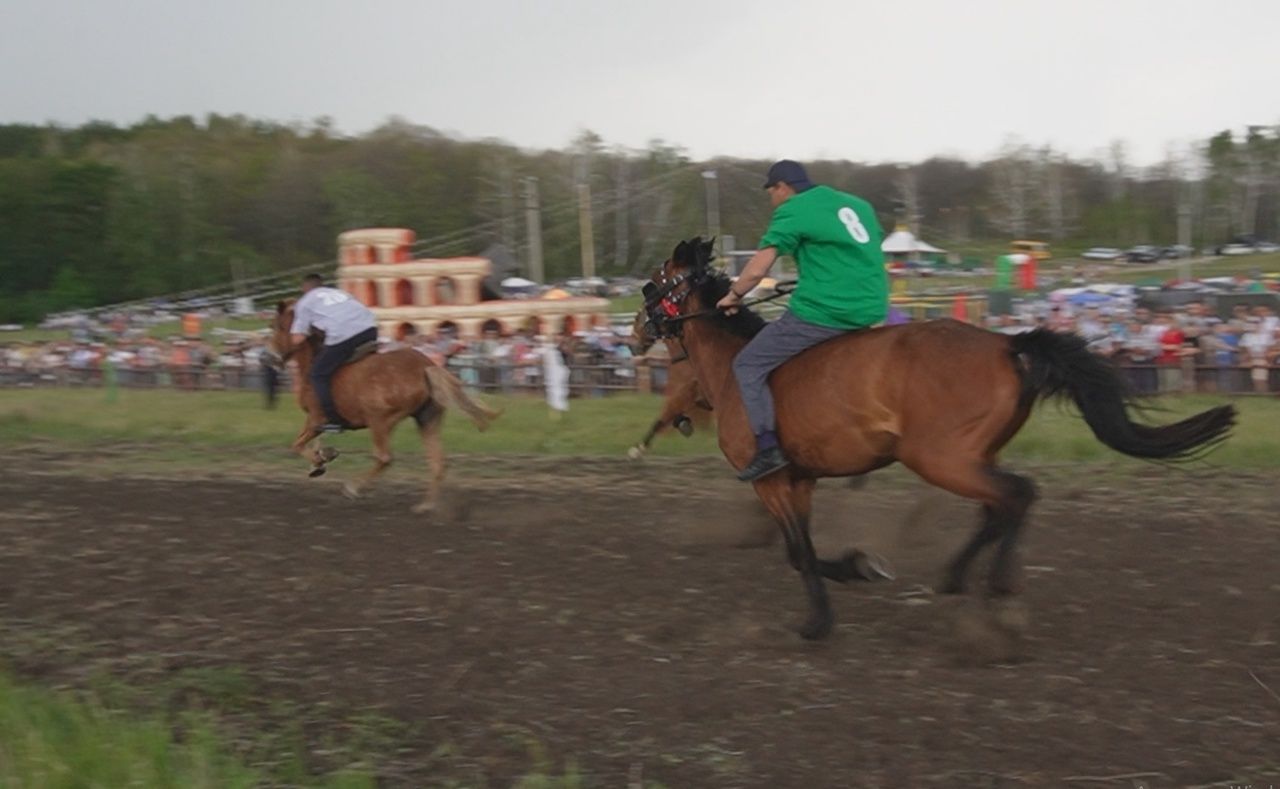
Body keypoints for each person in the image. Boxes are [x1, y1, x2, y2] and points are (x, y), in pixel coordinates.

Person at [716, 159, 888, 482]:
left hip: (826, 312)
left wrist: (734, 295)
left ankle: (767, 447)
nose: (772, 201)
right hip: (870, 308)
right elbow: (861, 251)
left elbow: (756, 270)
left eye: (771, 193)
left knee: (748, 365)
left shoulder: (792, 210)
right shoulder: (858, 205)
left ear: (782, 187)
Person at [288, 273, 379, 432]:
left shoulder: (304, 302)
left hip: (344, 334)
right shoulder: (340, 293)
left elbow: (298, 338)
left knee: (318, 374)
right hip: (370, 329)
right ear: (321, 285)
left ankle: (331, 418)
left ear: (304, 288)